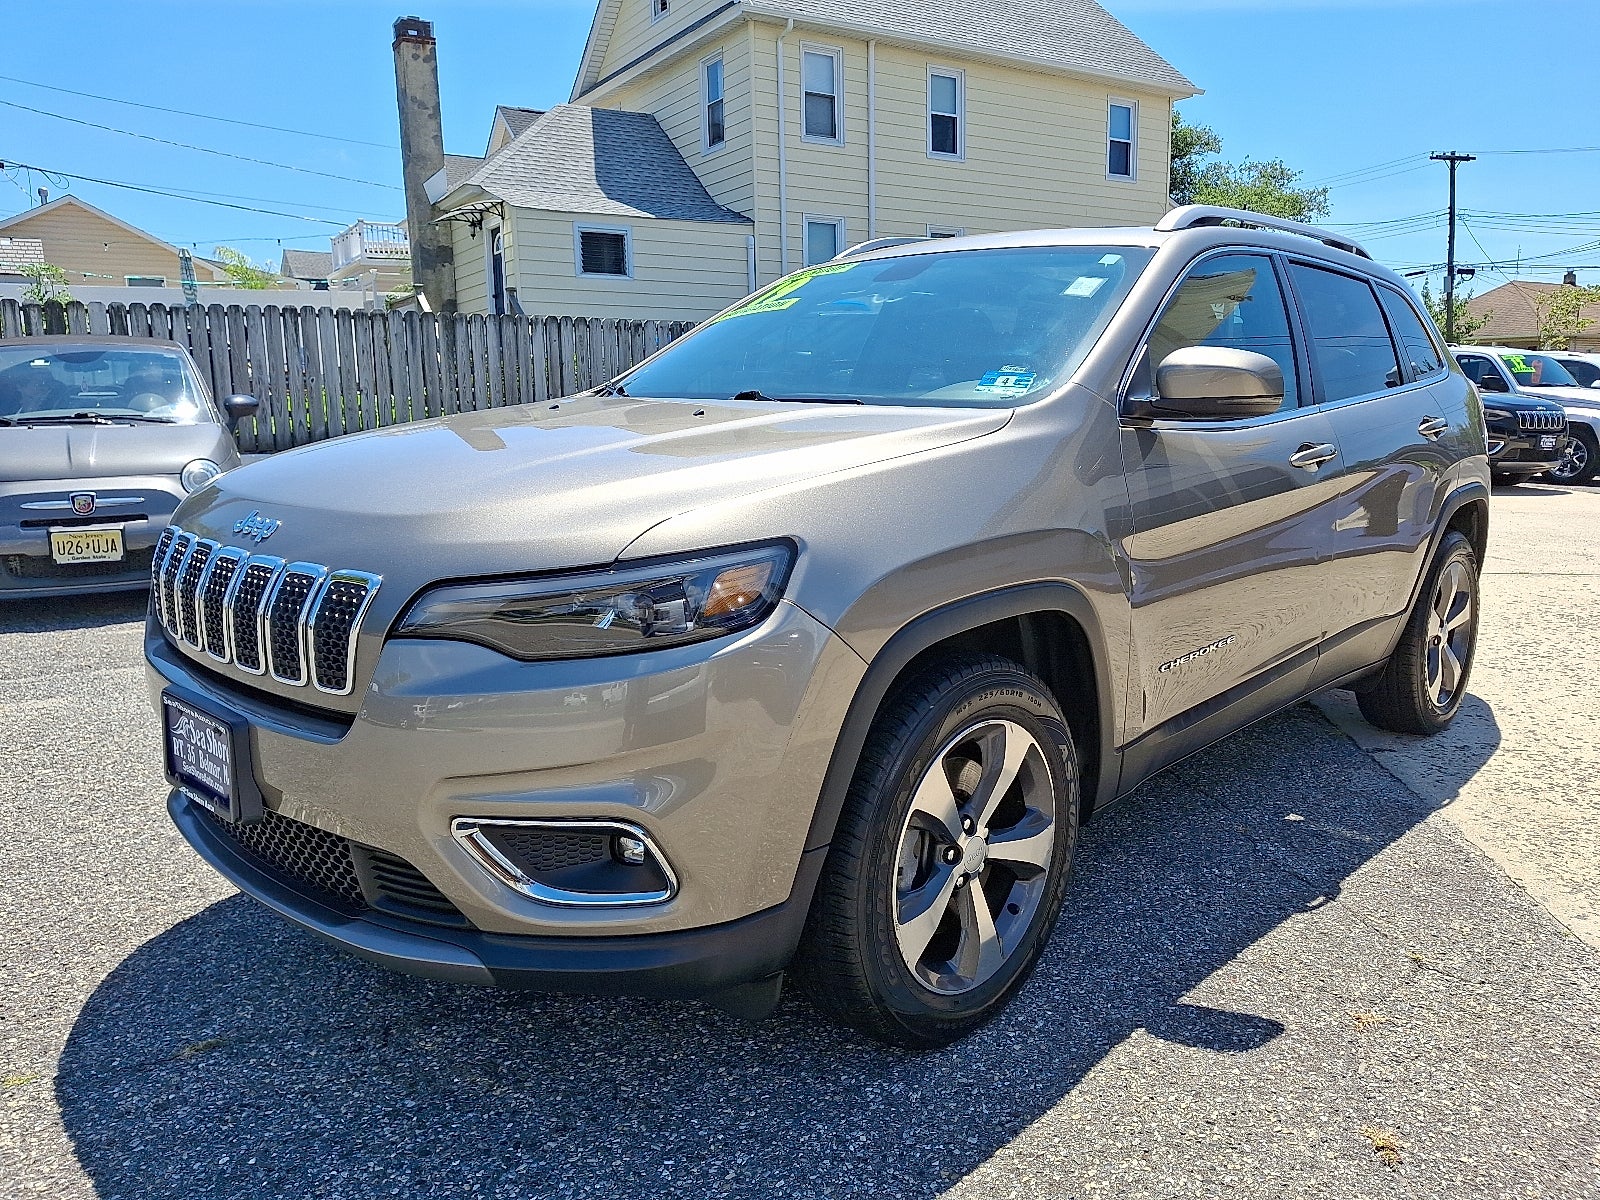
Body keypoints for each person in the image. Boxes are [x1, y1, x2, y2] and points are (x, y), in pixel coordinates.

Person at [0, 362, 66, 416]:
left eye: (47, 384)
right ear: (20, 387)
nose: (45, 388)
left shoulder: (60, 410)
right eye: (39, 384)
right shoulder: (6, 411)